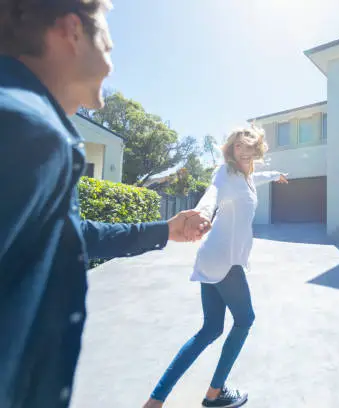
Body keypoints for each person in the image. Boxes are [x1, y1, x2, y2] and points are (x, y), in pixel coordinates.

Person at [0, 1, 210, 407]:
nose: (112, 62)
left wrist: (164, 230)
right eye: (109, 44)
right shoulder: (27, 129)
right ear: (72, 32)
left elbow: (67, 236)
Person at [143, 127, 288, 408]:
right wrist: (202, 216)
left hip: (212, 258)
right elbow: (212, 194)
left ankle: (155, 401)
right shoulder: (226, 173)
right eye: (237, 147)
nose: (243, 151)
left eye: (248, 146)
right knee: (245, 320)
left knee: (210, 330)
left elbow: (257, 177)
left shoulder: (246, 178)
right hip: (225, 260)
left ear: (257, 149)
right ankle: (214, 393)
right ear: (231, 151)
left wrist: (276, 174)